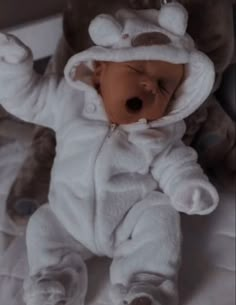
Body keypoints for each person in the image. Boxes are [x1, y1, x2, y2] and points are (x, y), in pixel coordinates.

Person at [0, 3, 219, 305]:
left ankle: (146, 285)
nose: (149, 85)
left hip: (127, 220)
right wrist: (14, 68)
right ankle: (55, 281)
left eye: (164, 85)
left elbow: (175, 163)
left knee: (161, 213)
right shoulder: (68, 100)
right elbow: (27, 98)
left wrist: (188, 186)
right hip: (68, 217)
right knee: (41, 224)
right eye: (137, 69)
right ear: (100, 69)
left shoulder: (159, 133)